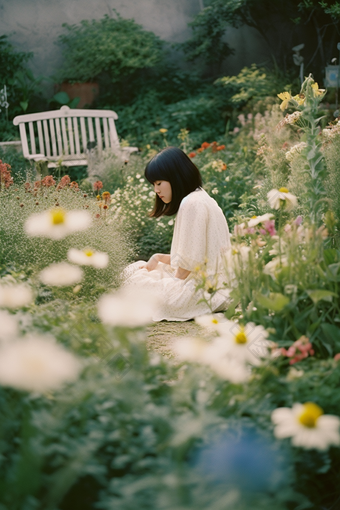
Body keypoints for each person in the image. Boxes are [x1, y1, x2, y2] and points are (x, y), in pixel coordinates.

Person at [123, 146, 231, 321]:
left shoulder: (191, 203)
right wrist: (158, 258)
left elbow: (186, 268)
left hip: (205, 291)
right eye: (153, 185)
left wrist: (166, 283)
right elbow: (194, 258)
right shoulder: (201, 197)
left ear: (176, 177)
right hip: (221, 286)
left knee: (132, 279)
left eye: (159, 183)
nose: (156, 191)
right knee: (137, 270)